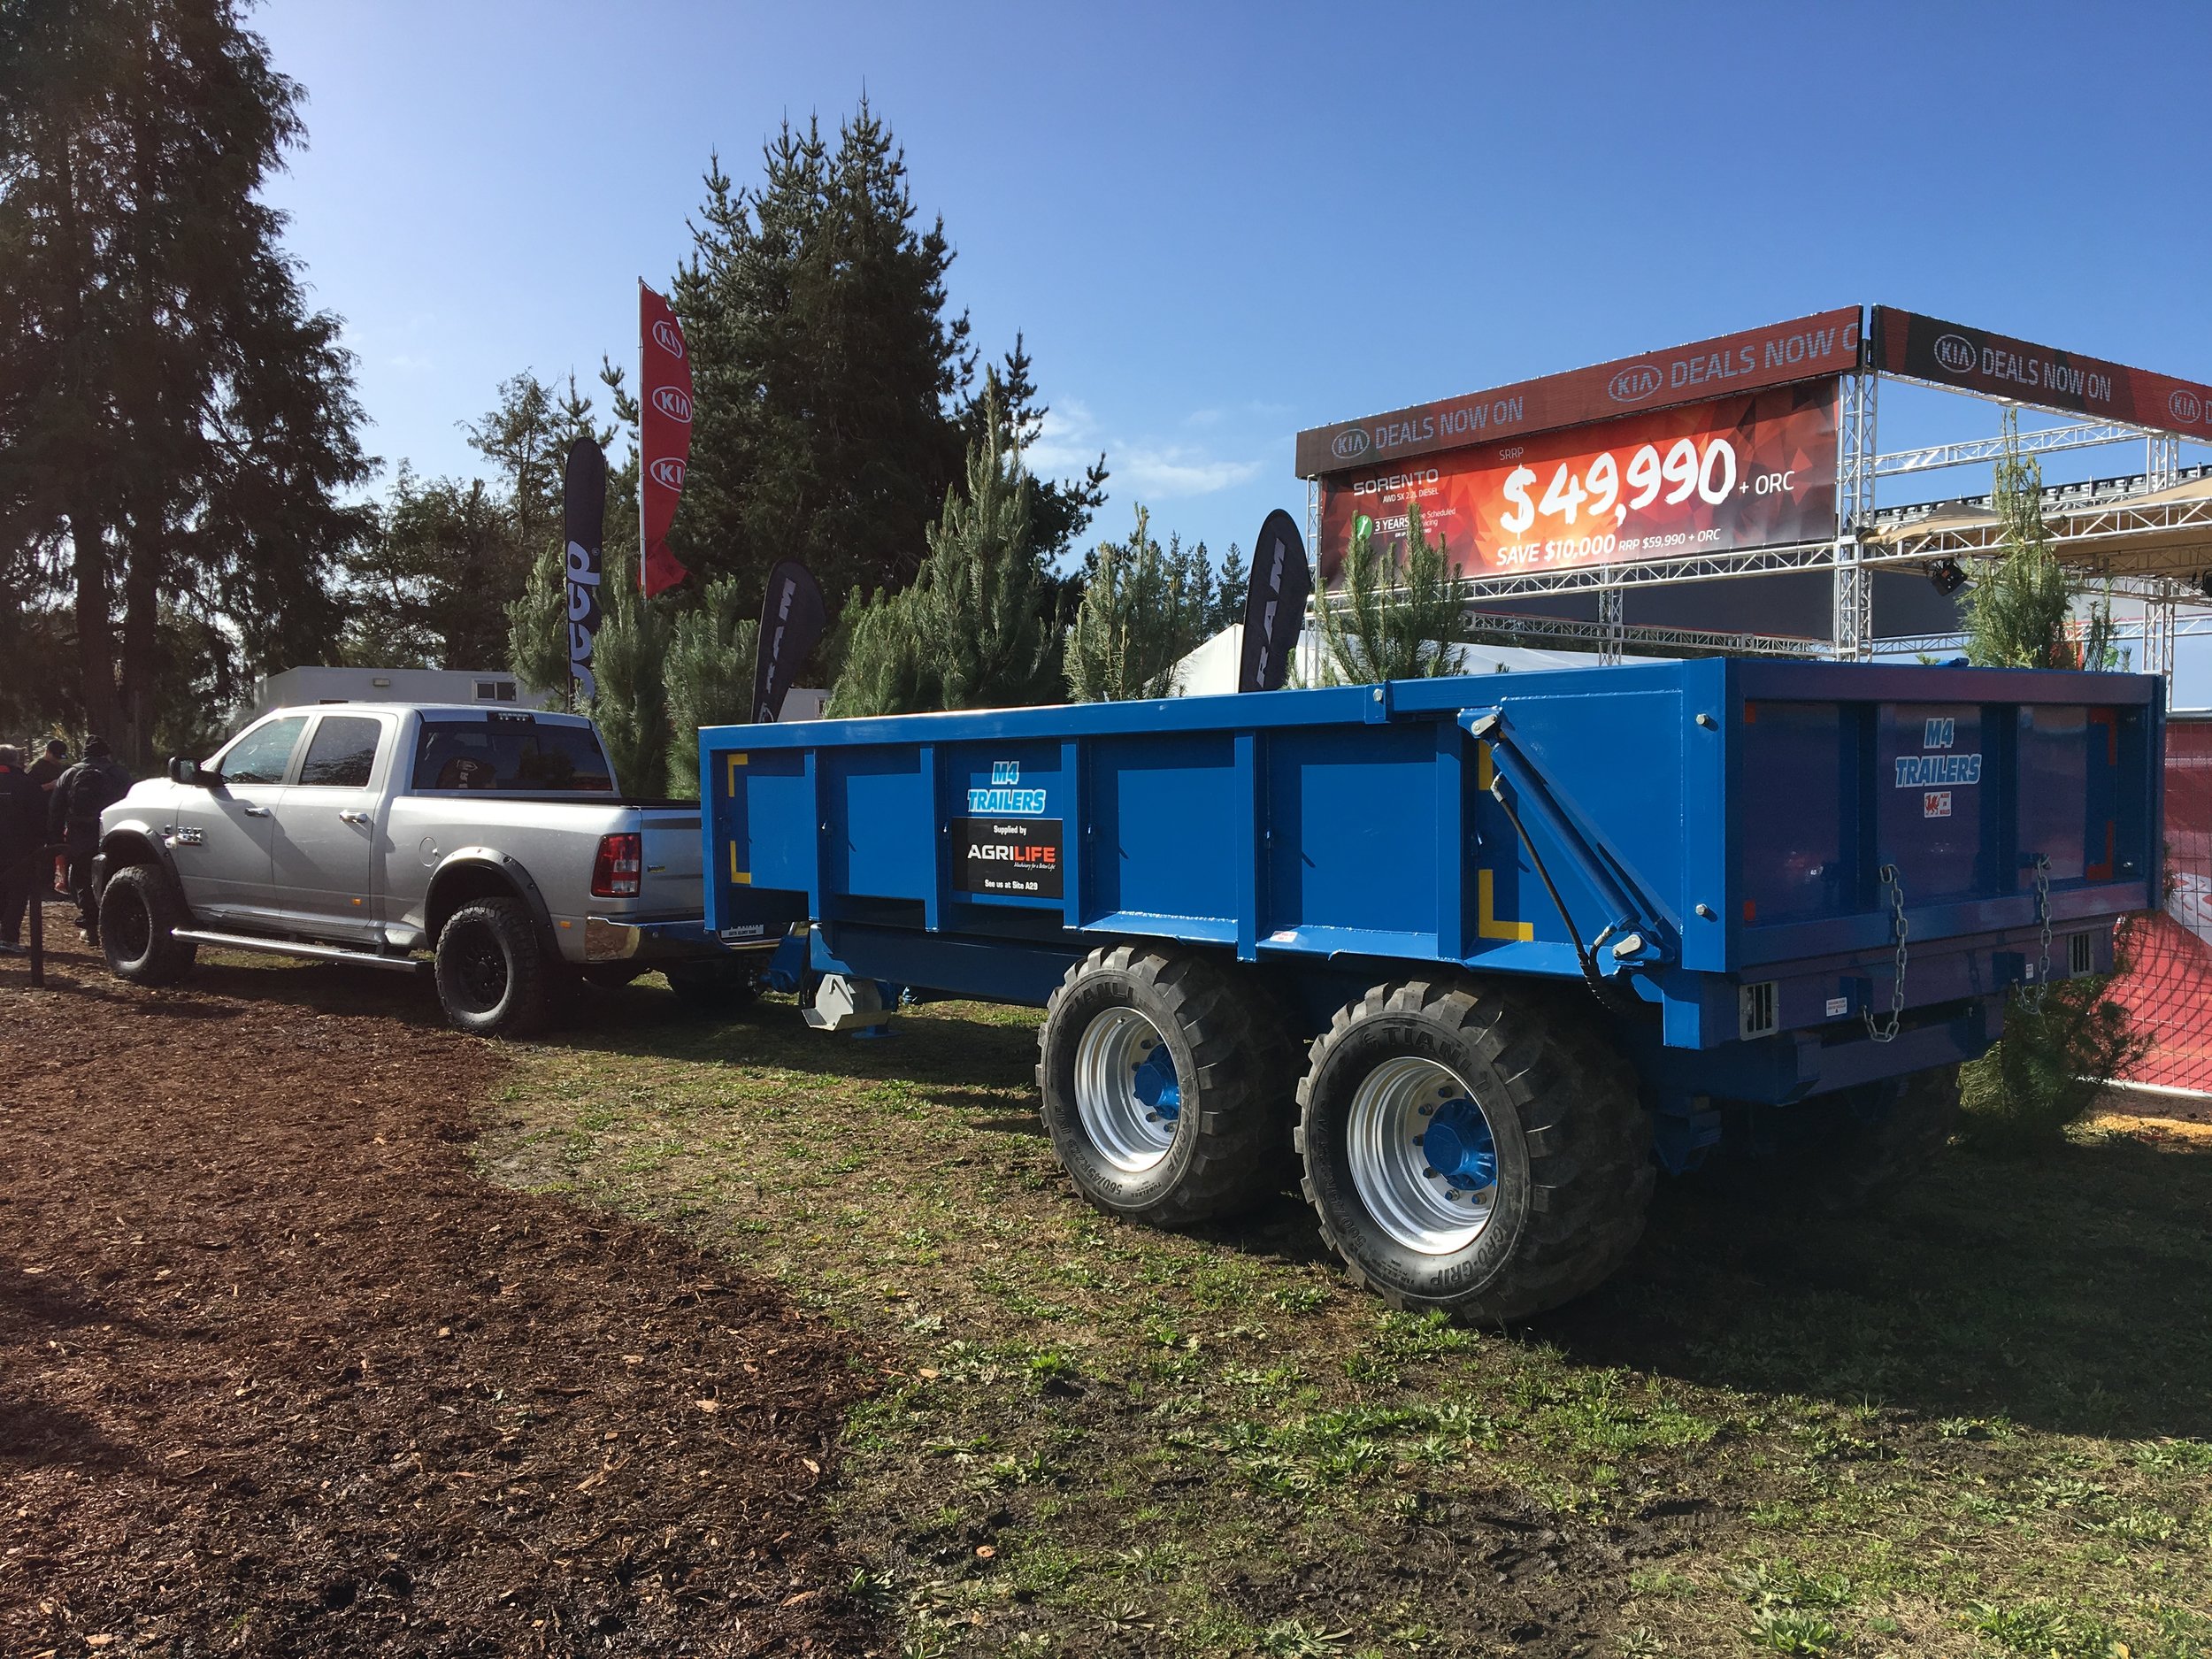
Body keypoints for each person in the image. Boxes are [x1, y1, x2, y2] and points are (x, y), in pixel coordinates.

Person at [48, 735, 131, 945]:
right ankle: (117, 927)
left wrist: (56, 840)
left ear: (84, 754)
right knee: (114, 878)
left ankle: (91, 927)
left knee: (83, 880)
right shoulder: (119, 774)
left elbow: (56, 809)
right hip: (114, 834)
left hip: (79, 835)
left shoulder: (69, 774)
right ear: (106, 753)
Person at [0, 745, 40, 956]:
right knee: (17, 892)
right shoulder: (27, 783)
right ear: (15, 760)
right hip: (20, 849)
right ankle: (8, 937)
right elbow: (39, 817)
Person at [26, 738, 68, 899]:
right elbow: (28, 791)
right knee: (43, 851)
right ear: (47, 752)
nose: (58, 759)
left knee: (54, 848)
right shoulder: (35, 768)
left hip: (55, 814)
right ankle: (41, 886)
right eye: (55, 756)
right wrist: (50, 786)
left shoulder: (59, 766)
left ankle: (50, 884)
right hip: (40, 815)